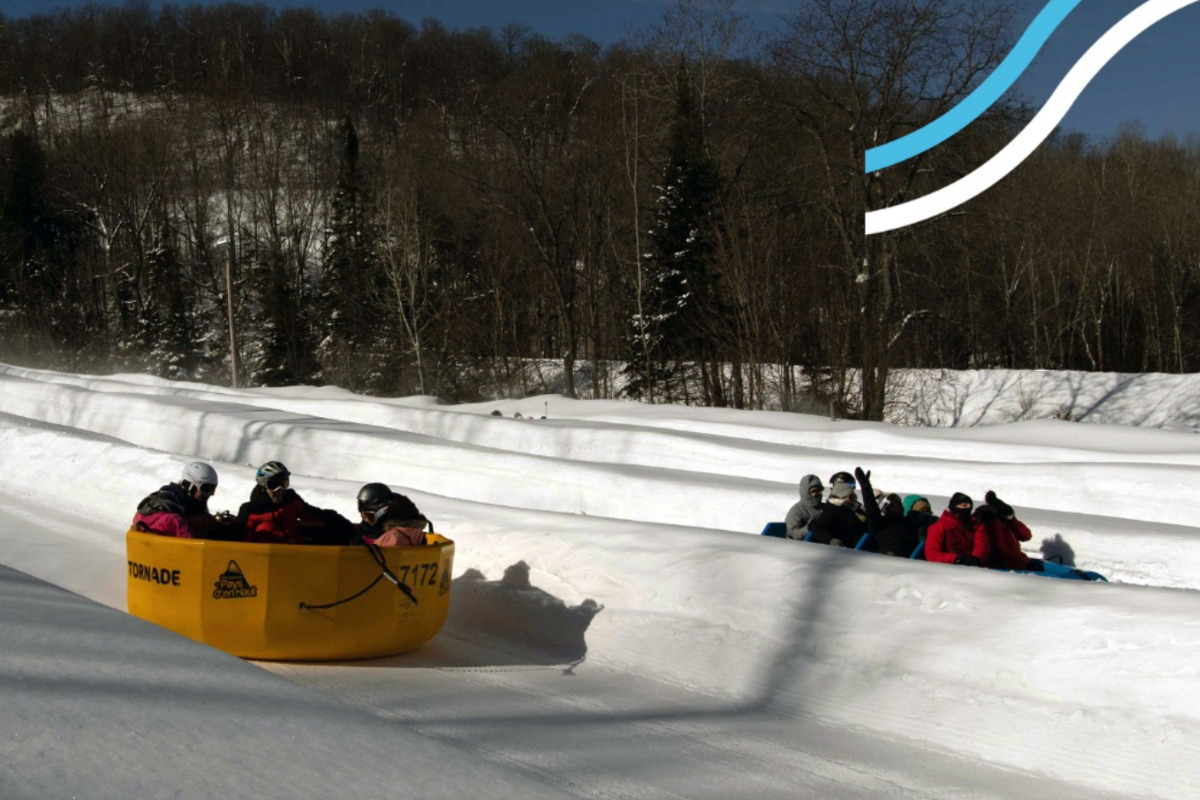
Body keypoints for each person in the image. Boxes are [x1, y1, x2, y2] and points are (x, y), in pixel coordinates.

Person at [235, 461, 356, 545]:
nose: (280, 490)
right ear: (263, 486)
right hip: (268, 561)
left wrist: (336, 520)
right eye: (274, 485)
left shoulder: (291, 500)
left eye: (284, 484)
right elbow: (237, 537)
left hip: (297, 555)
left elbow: (313, 514)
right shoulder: (251, 510)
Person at [131, 462, 239, 540]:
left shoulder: (190, 506)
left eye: (213, 489)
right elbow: (190, 549)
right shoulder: (171, 513)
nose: (211, 494)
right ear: (189, 485)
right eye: (206, 489)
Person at [854, 468, 921, 557]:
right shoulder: (879, 523)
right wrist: (866, 487)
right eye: (892, 506)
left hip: (909, 563)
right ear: (885, 509)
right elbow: (871, 508)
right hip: (885, 561)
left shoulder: (910, 523)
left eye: (898, 504)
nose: (896, 507)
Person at [355, 482, 445, 547]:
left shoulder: (396, 537)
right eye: (363, 516)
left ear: (383, 512)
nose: (365, 520)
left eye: (370, 516)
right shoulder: (368, 530)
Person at [975, 490, 1043, 571]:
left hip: (1018, 562)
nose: (1009, 518)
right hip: (1006, 565)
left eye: (1010, 516)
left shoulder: (1009, 525)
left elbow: (1026, 536)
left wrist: (1012, 520)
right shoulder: (991, 524)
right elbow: (1000, 548)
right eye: (1008, 516)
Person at [924, 492, 990, 566]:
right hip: (947, 570)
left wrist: (975, 560)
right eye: (964, 505)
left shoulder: (976, 526)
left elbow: (982, 548)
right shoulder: (939, 527)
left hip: (974, 569)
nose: (968, 508)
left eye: (970, 505)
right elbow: (932, 555)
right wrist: (957, 559)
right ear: (954, 507)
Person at [808, 479, 868, 548]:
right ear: (841, 496)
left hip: (860, 542)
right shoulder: (832, 509)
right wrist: (830, 540)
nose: (852, 499)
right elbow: (818, 528)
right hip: (846, 548)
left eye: (852, 497)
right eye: (849, 496)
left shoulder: (853, 507)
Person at [784, 475, 825, 540]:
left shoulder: (825, 508)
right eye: (814, 491)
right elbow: (792, 534)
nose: (818, 494)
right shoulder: (797, 510)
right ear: (806, 492)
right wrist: (808, 528)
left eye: (819, 491)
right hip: (801, 547)